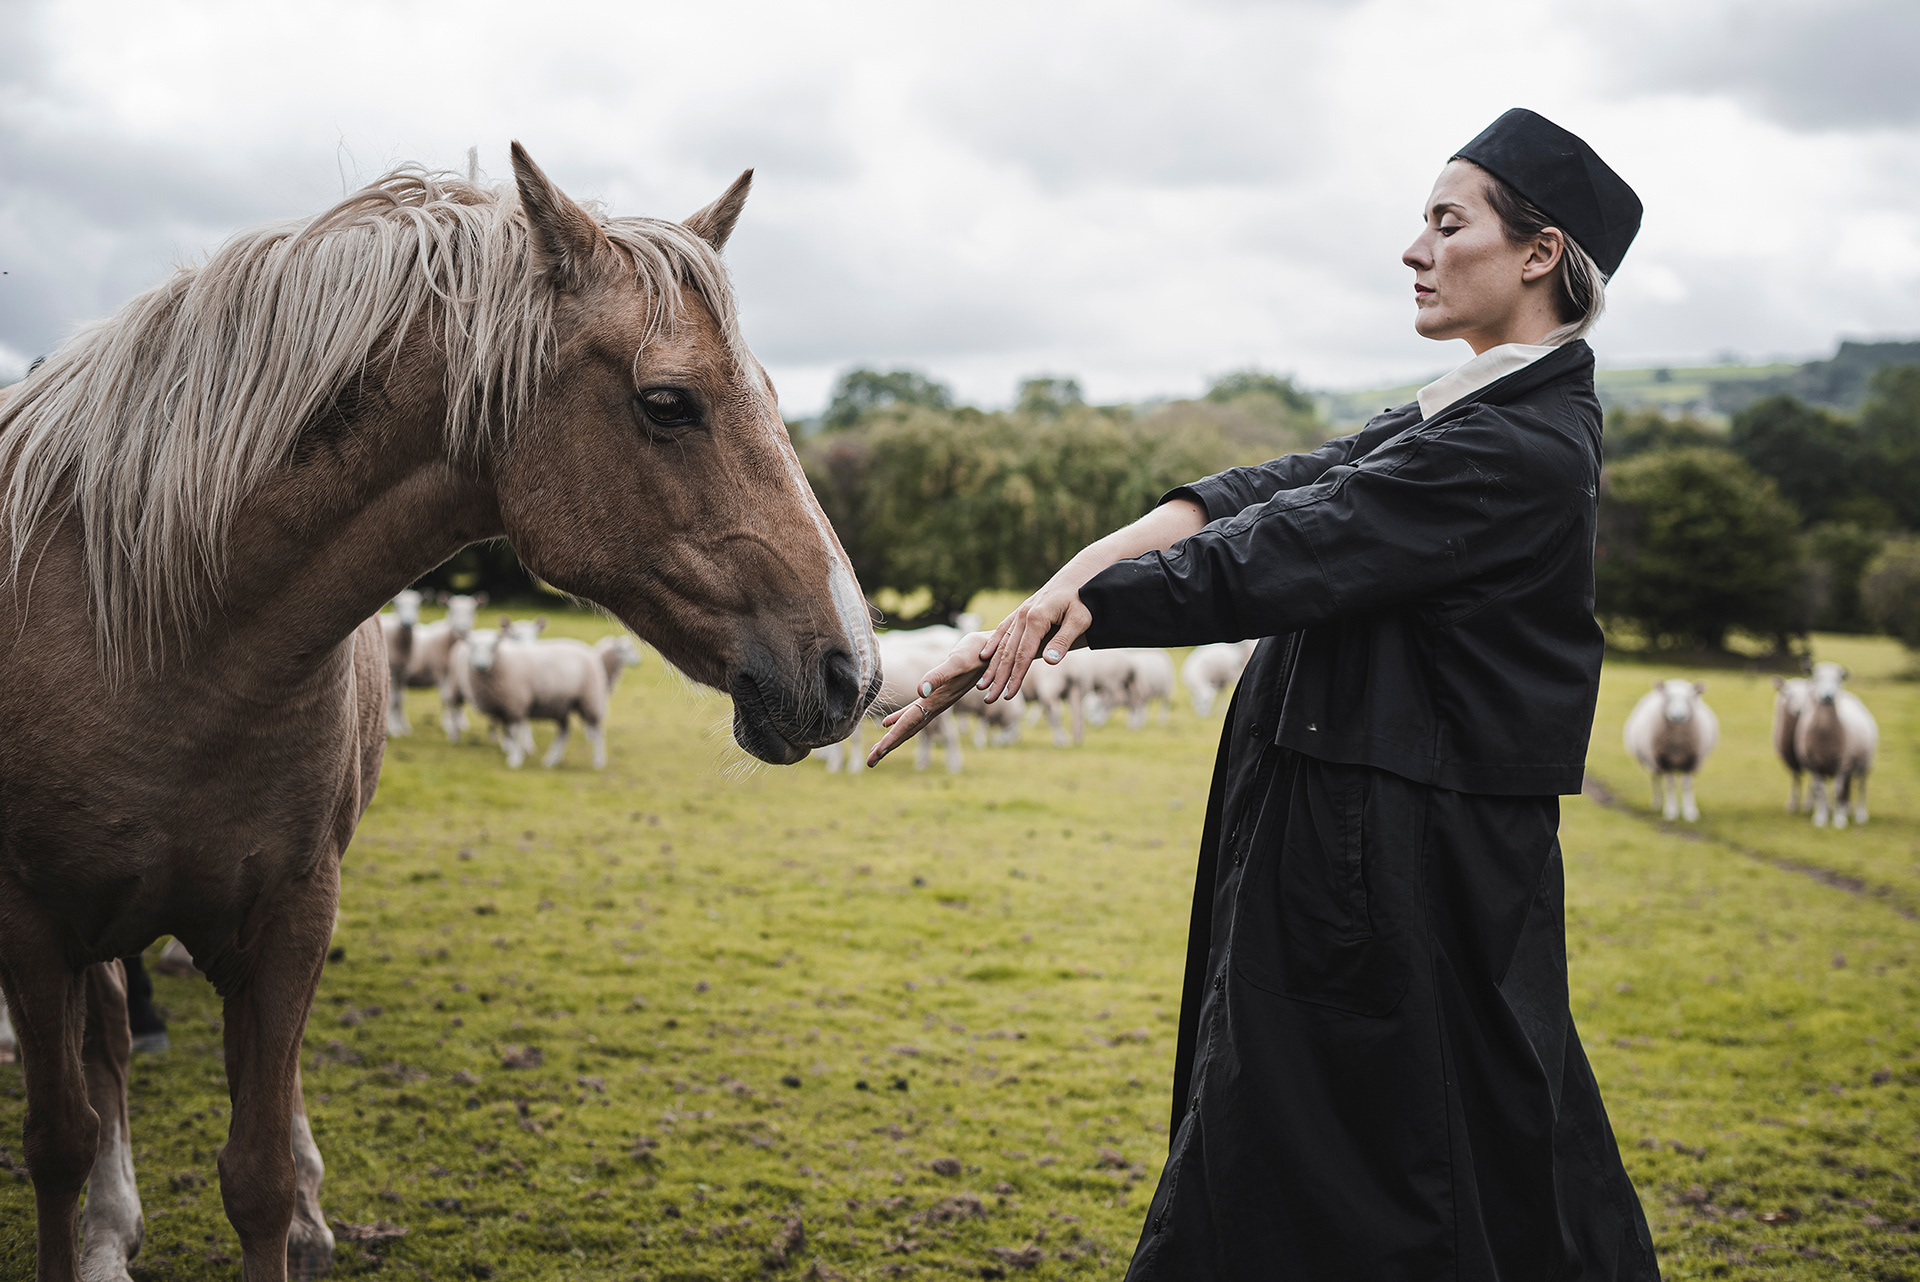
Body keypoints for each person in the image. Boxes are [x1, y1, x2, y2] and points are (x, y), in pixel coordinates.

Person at [869, 108, 1659, 1279]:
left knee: (1365, 1157)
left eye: (1448, 224)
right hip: (1353, 838)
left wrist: (1067, 618)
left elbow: (1285, 547)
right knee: (1401, 1135)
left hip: (1398, 864)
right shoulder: (1471, 411)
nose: (1415, 249)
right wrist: (1044, 601)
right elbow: (1257, 493)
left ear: (1540, 255)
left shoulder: (1518, 446)